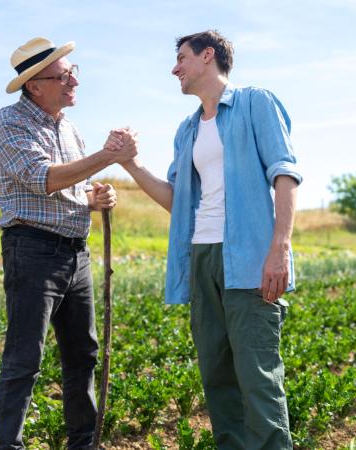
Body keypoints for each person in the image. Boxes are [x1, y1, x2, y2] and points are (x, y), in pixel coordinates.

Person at [119, 30, 301, 449]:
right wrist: (131, 164)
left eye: (181, 57)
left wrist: (279, 248)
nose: (174, 68)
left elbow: (285, 174)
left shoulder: (256, 102)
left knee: (258, 377)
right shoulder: (187, 130)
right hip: (202, 257)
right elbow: (177, 201)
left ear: (207, 56)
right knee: (217, 377)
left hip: (250, 258)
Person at [0, 37, 136, 449]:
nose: (74, 80)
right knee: (24, 359)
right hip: (32, 250)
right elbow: (45, 178)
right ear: (34, 85)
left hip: (75, 253)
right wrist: (110, 155)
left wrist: (96, 199)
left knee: (83, 354)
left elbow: (72, 190)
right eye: (64, 74)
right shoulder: (10, 123)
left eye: (73, 71)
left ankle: (83, 443)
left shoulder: (69, 129)